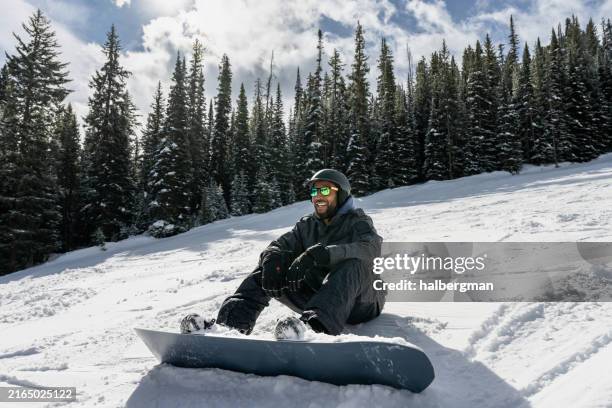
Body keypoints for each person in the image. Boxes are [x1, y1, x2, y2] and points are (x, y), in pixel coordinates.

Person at [181, 169, 386, 336]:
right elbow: (279, 246)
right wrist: (272, 260)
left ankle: (312, 329)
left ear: (340, 193)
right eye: (314, 192)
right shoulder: (307, 225)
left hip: (362, 303)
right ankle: (230, 327)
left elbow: (372, 248)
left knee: (355, 263)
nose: (318, 197)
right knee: (270, 268)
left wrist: (323, 254)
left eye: (325, 191)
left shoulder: (357, 221)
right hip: (321, 298)